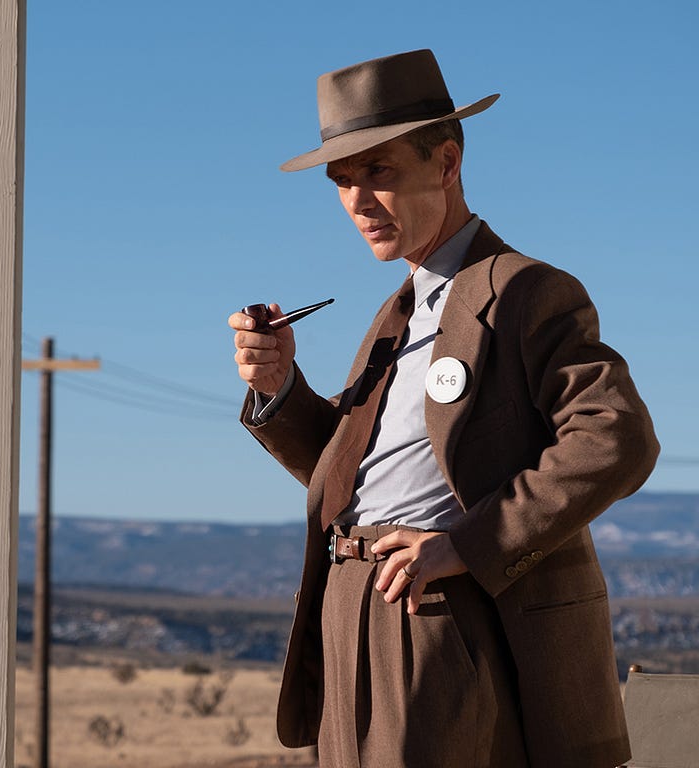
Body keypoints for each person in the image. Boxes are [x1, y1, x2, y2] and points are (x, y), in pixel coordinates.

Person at [228, 49, 659, 768]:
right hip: (351, 609)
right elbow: (347, 477)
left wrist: (471, 542)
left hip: (435, 614)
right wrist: (280, 387)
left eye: (380, 172)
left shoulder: (523, 291)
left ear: (448, 162)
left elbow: (615, 436)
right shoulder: (398, 312)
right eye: (342, 181)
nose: (358, 201)